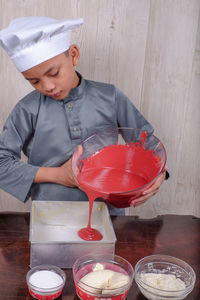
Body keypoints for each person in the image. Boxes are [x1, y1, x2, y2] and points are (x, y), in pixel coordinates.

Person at [0, 16, 167, 215]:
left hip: (108, 213)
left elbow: (147, 142)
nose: (47, 86)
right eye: (34, 81)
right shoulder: (26, 109)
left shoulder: (110, 97)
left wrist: (160, 173)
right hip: (50, 215)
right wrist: (58, 175)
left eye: (53, 73)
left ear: (73, 55)